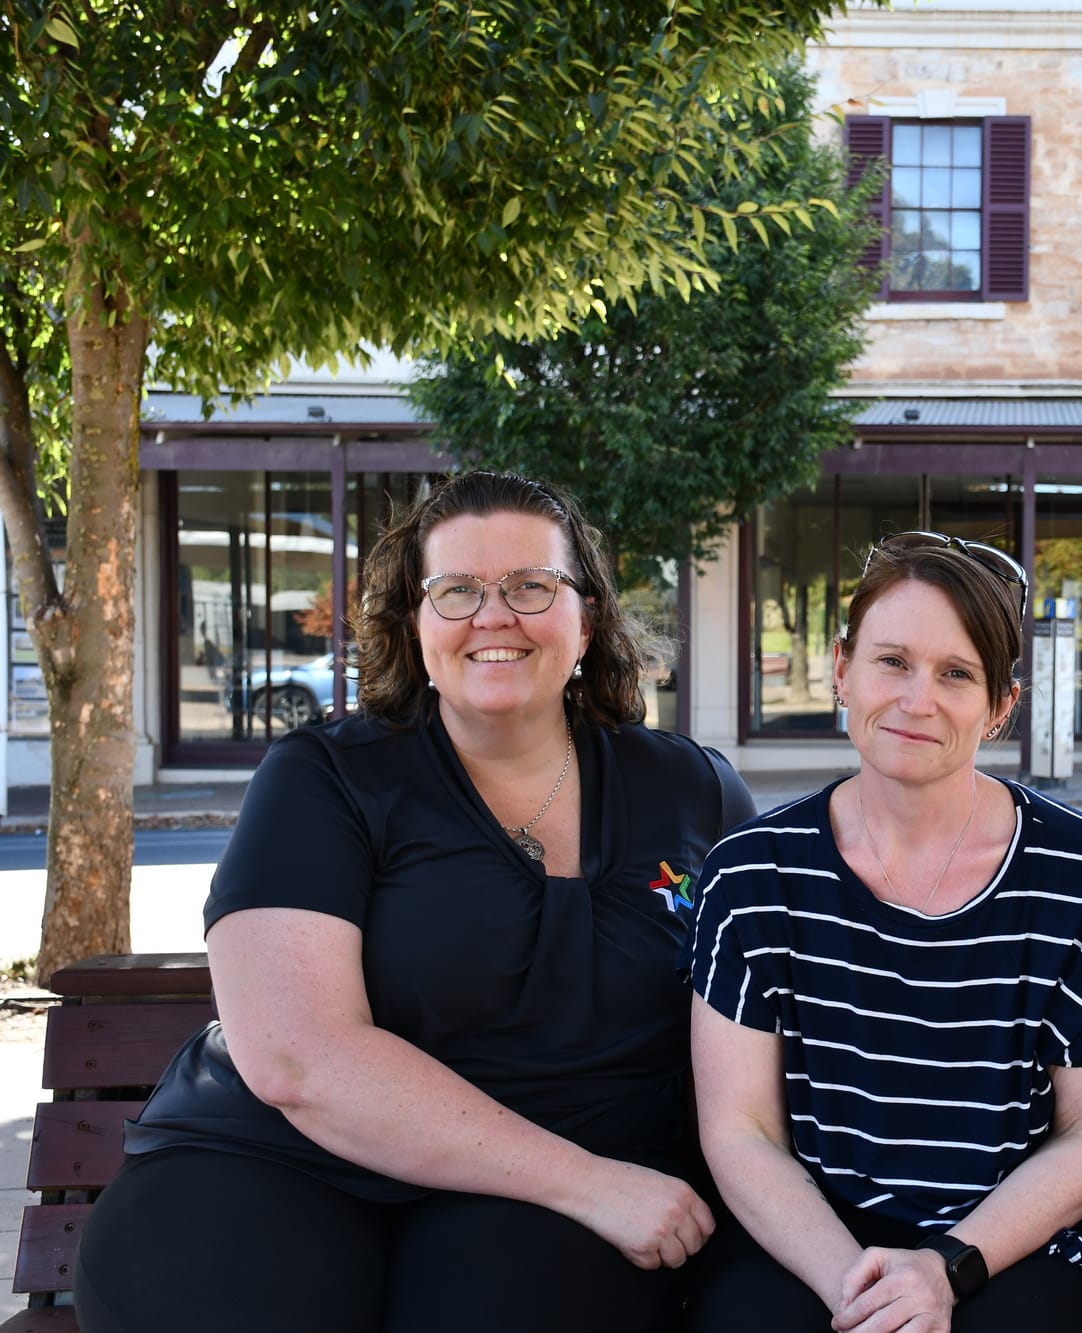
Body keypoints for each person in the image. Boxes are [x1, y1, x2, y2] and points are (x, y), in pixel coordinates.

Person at [77, 472, 755, 1332]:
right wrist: (590, 1183)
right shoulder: (326, 776)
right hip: (278, 1163)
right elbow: (296, 1058)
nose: (494, 615)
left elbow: (779, 1003)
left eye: (531, 585)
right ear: (414, 625)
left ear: (586, 620)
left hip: (551, 1207)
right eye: (457, 590)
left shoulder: (693, 792)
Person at [686, 531, 1082, 1333]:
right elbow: (742, 1131)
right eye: (893, 661)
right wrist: (862, 1290)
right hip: (815, 1229)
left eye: (956, 673)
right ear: (842, 669)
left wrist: (945, 1267)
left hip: (1017, 1235)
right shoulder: (752, 874)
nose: (918, 699)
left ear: (1001, 705)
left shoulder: (1081, 874)